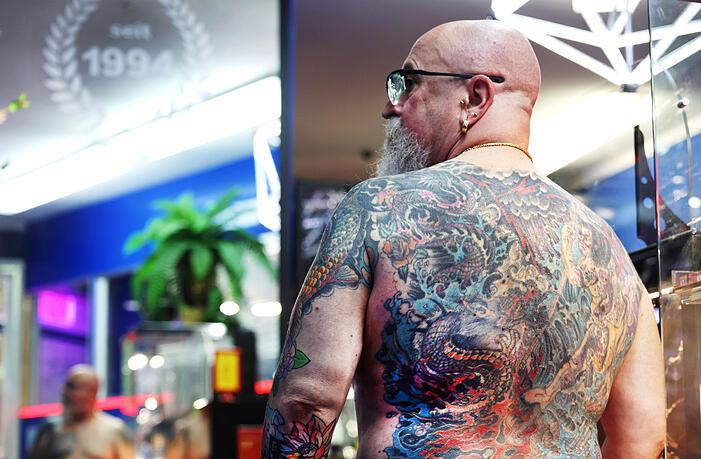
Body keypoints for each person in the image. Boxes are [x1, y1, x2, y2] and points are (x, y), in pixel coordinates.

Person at [262, 19, 665, 458]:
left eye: (408, 83)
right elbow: (643, 437)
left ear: (475, 97)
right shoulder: (609, 251)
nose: (391, 108)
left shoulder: (377, 208)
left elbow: (306, 403)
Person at [28, 364, 134, 459]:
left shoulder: (113, 430)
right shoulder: (51, 429)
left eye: (73, 387)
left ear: (92, 391)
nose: (66, 392)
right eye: (66, 387)